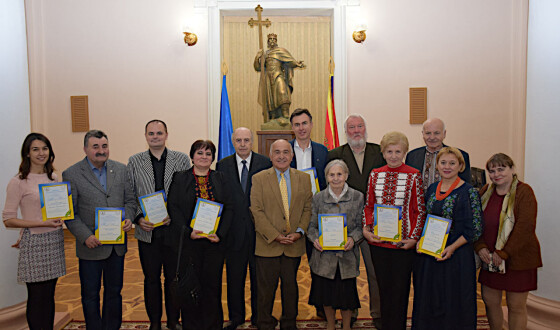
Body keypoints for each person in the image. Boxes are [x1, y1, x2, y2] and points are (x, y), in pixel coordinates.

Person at [63, 130, 136, 330]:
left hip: (116, 246)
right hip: (90, 245)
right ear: (85, 149)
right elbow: (70, 213)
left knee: (114, 291)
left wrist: (129, 218)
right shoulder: (71, 173)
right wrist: (85, 236)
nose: (101, 151)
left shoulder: (121, 170)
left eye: (104, 146)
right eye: (95, 147)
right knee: (90, 294)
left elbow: (130, 201)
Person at [127, 120, 191, 330]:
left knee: (173, 279)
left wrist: (176, 217)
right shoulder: (135, 161)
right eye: (151, 133)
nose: (155, 136)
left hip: (174, 232)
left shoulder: (181, 160)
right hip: (148, 233)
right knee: (151, 279)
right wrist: (138, 218)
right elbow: (130, 195)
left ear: (166, 134)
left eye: (159, 133)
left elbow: (187, 195)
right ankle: (154, 322)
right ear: (145, 136)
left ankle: (173, 321)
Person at [412, 147, 482, 330]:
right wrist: (421, 240)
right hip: (431, 255)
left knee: (454, 299)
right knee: (430, 297)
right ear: (437, 165)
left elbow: (474, 229)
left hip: (457, 258)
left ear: (460, 166)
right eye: (443, 163)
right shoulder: (432, 188)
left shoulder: (469, 192)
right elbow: (426, 218)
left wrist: (451, 249)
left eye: (452, 163)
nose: (447, 167)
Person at [362, 131, 426, 330]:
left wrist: (414, 238)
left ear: (404, 152)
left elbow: (419, 210)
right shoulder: (375, 174)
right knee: (383, 288)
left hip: (403, 245)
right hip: (378, 243)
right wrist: (366, 228)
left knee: (400, 290)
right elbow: (369, 206)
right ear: (383, 152)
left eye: (398, 151)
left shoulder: (414, 175)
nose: (393, 155)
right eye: (389, 151)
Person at [2, 133, 66, 330]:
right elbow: (8, 220)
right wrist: (41, 223)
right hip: (35, 243)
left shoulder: (53, 177)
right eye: (35, 149)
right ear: (27, 154)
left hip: (54, 241)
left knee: (49, 296)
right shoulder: (19, 181)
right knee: (37, 297)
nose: (41, 153)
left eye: (44, 148)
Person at [167, 140, 233, 330]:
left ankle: (213, 325)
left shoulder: (221, 178)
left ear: (213, 158)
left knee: (212, 287)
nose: (204, 157)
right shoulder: (180, 178)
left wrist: (219, 234)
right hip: (190, 244)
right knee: (191, 287)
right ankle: (192, 325)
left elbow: (230, 208)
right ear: (192, 156)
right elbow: (174, 208)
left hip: (214, 244)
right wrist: (188, 232)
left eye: (208, 154)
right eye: (200, 153)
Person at [328, 114, 385, 328]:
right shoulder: (335, 154)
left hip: (374, 224)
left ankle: (377, 313)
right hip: (346, 224)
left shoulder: (379, 151)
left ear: (365, 128)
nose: (356, 130)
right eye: (351, 127)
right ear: (346, 132)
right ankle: (348, 313)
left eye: (360, 126)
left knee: (374, 272)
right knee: (346, 272)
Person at [250, 139, 312, 330]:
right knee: (265, 290)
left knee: (291, 288)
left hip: (293, 244)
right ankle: (265, 323)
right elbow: (256, 211)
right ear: (270, 156)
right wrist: (275, 235)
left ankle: (289, 323)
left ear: (292, 156)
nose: (282, 156)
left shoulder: (304, 178)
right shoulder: (259, 178)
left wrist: (300, 232)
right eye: (277, 152)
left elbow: (308, 208)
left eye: (286, 152)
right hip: (267, 244)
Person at [474, 153, 542, 330]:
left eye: (501, 169)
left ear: (512, 169)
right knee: (490, 301)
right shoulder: (485, 192)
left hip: (517, 260)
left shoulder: (524, 192)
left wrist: (504, 253)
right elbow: (475, 222)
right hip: (490, 259)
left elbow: (525, 227)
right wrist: (479, 246)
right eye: (492, 170)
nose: (496, 174)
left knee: (516, 306)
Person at [216, 128, 272, 329]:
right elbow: (220, 199)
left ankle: (259, 317)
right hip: (233, 234)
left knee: (260, 280)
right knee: (234, 279)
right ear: (233, 142)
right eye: (238, 140)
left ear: (252, 143)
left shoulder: (265, 163)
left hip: (260, 233)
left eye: (246, 140)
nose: (242, 144)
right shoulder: (222, 165)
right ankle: (236, 317)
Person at [307, 159, 363, 330]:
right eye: (332, 175)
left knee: (347, 298)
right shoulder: (318, 198)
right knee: (327, 297)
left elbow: (362, 226)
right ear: (327, 177)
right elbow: (311, 226)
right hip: (324, 257)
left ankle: (346, 326)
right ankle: (330, 325)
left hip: (347, 257)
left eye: (339, 174)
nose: (336, 178)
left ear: (346, 175)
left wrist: (353, 239)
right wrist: (315, 239)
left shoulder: (357, 196)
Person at [288, 108, 329, 319]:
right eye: (297, 124)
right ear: (292, 128)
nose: (301, 128)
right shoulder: (284, 151)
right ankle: (290, 311)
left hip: (317, 216)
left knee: (318, 264)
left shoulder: (323, 151)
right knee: (290, 267)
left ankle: (321, 306)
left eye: (304, 123)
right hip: (292, 216)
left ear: (311, 125)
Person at [405, 118, 471, 191]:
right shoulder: (412, 156)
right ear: (423, 134)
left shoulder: (460, 155)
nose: (432, 137)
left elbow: (466, 188)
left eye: (437, 133)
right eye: (428, 133)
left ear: (444, 134)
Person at [254, 33, 305, 124]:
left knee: (282, 92)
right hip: (268, 78)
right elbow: (258, 68)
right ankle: (273, 118)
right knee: (271, 98)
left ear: (276, 41)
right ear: (268, 42)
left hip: (278, 75)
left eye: (274, 39)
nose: (272, 41)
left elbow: (289, 61)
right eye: (270, 39)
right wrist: (257, 57)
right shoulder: (265, 54)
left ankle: (285, 115)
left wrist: (297, 64)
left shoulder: (280, 51)